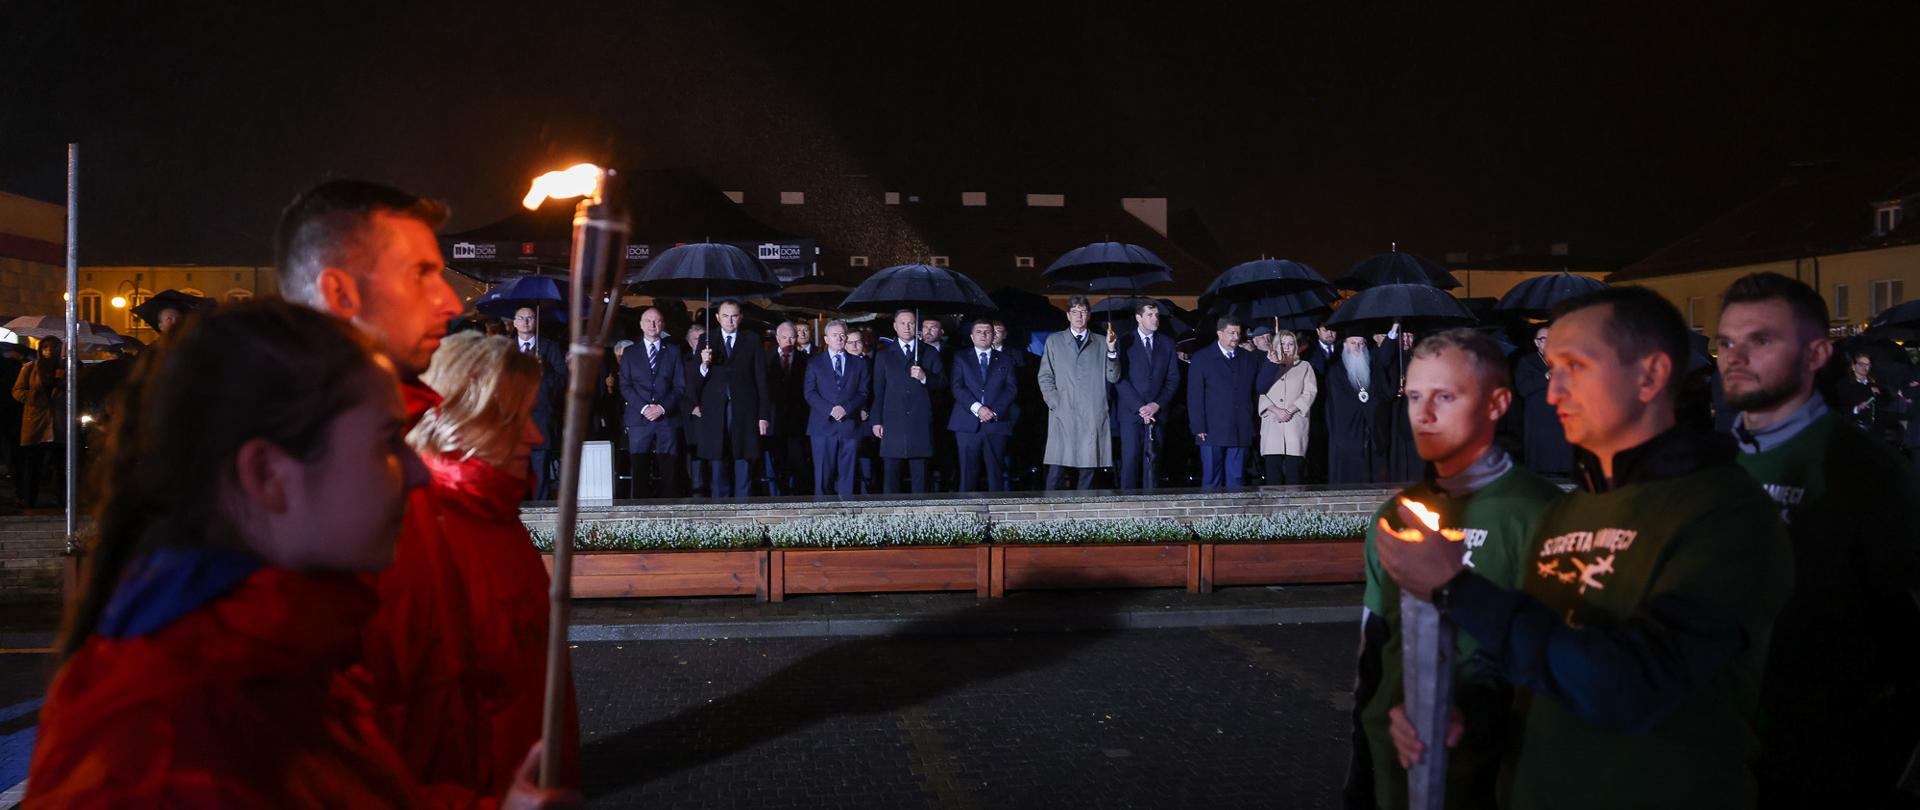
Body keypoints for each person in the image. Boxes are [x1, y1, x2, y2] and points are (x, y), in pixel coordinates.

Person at [25, 301, 568, 807]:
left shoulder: (279, 659)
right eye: (384, 443)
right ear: (266, 475)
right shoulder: (165, 761)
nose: (419, 469)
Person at [1376, 286, 1792, 810]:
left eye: (1575, 367)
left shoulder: (1725, 515)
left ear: (1650, 375)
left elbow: (1633, 685)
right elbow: (1519, 666)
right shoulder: (1570, 510)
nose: (1553, 393)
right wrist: (1463, 711)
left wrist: (1457, 588)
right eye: (1552, 370)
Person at [1714, 272, 1920, 808]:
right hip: (1721, 741)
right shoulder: (1708, 463)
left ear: (1816, 354)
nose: (1737, 356)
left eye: (1761, 340)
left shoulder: (1863, 468)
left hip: (1823, 751)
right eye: (1727, 342)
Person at [1345, 328, 1559, 810]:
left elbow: (1559, 657)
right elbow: (1372, 654)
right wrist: (1360, 776)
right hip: (1391, 773)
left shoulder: (1544, 514)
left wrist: (1475, 716)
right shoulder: (1393, 516)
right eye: (1415, 396)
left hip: (1495, 772)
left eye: (1445, 396)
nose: (1423, 415)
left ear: (1497, 404)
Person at [407, 331, 581, 795]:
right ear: (457, 420)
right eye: (513, 418)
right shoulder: (418, 536)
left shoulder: (499, 517)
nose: (536, 435)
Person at [689, 300, 770, 498]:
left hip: (744, 408)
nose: (730, 320)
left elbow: (761, 379)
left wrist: (763, 415)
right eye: (725, 316)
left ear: (740, 317)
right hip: (715, 409)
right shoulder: (707, 339)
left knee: (743, 455)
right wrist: (704, 364)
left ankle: (743, 503)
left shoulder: (751, 339)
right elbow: (694, 378)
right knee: (718, 456)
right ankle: (720, 505)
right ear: (717, 318)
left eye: (734, 315)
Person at [1037, 296, 1119, 489]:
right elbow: (1045, 375)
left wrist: (1112, 350)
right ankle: (1049, 514)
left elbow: (1113, 376)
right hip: (1063, 412)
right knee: (1057, 468)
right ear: (1068, 315)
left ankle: (1084, 515)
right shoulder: (1055, 341)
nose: (1079, 316)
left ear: (1089, 315)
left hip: (1091, 413)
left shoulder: (1101, 341)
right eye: (1074, 312)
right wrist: (1054, 401)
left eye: (1083, 312)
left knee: (1088, 468)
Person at [870, 309, 946, 493]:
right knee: (891, 478)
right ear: (895, 326)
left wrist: (924, 376)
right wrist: (876, 420)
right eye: (902, 323)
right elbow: (878, 391)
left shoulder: (929, 352)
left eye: (911, 323)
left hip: (919, 421)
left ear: (917, 327)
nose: (907, 327)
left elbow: (943, 383)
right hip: (893, 421)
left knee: (921, 478)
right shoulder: (883, 355)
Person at [1186, 316, 1261, 490]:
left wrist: (1272, 363)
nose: (1235, 337)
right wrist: (1198, 426)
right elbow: (1194, 395)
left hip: (1239, 426)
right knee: (1212, 478)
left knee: (1237, 478)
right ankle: (1211, 516)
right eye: (1231, 333)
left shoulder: (1248, 358)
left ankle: (1235, 516)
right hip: (1211, 429)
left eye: (1238, 333)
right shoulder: (1202, 358)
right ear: (1219, 334)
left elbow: (1257, 388)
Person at [618, 307, 684, 499]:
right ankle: (639, 513)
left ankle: (669, 511)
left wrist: (662, 408)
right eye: (648, 321)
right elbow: (625, 386)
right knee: (639, 466)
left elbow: (680, 386)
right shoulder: (630, 353)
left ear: (662, 324)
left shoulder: (673, 351)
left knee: (669, 467)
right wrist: (645, 408)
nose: (652, 325)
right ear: (641, 324)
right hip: (639, 418)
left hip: (667, 417)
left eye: (657, 321)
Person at [1114, 301, 1179, 490]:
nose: (1155, 319)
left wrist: (1156, 405)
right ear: (1138, 317)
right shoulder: (1125, 341)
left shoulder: (1166, 343)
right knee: (1130, 460)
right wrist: (1140, 406)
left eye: (1157, 315)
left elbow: (1173, 378)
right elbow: (1119, 378)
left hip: (1157, 412)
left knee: (1153, 461)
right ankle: (1127, 508)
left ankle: (1152, 507)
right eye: (1150, 315)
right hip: (1131, 413)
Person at [803, 320, 869, 498]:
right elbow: (809, 392)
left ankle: (847, 513)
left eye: (842, 335)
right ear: (826, 339)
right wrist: (830, 409)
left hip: (849, 425)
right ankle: (823, 514)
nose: (839, 338)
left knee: (848, 476)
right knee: (823, 475)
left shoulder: (859, 363)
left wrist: (846, 408)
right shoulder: (815, 363)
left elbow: (863, 392)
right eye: (835, 335)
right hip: (823, 426)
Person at [948, 319, 1016, 492]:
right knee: (967, 474)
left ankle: (999, 514)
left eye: (987, 331)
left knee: (996, 474)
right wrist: (978, 408)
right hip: (967, 424)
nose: (983, 335)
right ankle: (966, 514)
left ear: (993, 336)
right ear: (972, 336)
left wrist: (993, 411)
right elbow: (957, 387)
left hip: (996, 423)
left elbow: (1011, 389)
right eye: (979, 331)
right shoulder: (961, 357)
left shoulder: (1006, 360)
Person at [509, 307, 569, 500]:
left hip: (541, 419)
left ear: (536, 321)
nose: (526, 321)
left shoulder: (550, 347)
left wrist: (544, 372)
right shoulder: (505, 348)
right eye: (522, 318)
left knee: (540, 473)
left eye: (530, 318)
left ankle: (541, 516)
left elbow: (563, 380)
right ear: (514, 322)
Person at [1255, 330, 1317, 485]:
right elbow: (1260, 391)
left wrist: (1291, 409)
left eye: (1290, 344)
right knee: (1273, 474)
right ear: (1276, 345)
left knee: (1294, 473)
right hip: (1273, 423)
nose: (1287, 347)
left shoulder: (1304, 366)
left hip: (1294, 423)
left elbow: (1309, 392)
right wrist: (1275, 410)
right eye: (1283, 344)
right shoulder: (1267, 365)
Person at [1324, 334, 1387, 484]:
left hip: (1369, 431)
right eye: (1353, 343)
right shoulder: (1336, 371)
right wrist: (1364, 406)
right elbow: (1338, 403)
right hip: (1347, 432)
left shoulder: (1372, 368)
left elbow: (1378, 395)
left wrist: (1370, 407)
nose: (1358, 347)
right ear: (1345, 345)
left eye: (1361, 343)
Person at [12, 337, 67, 508]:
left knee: (62, 466)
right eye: (45, 347)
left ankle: (64, 501)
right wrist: (31, 396)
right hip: (36, 421)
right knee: (33, 464)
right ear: (40, 349)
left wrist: (63, 382)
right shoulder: (30, 368)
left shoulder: (66, 369)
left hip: (59, 423)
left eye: (54, 347)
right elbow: (17, 391)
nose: (49, 351)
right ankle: (29, 500)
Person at [1512, 323, 1573, 475]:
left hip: (1561, 418)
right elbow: (1523, 388)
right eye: (1544, 339)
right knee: (1541, 461)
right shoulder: (1527, 362)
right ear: (1537, 343)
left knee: (1563, 461)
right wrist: (1545, 376)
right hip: (1538, 419)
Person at [764, 321, 812, 496]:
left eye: (792, 337)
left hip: (797, 422)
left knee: (798, 463)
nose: (789, 341)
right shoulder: (765, 358)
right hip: (773, 420)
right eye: (784, 337)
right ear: (777, 338)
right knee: (776, 463)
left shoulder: (806, 360)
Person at [1375, 328, 1423, 482]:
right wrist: (1394, 329)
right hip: (1398, 414)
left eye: (1410, 336)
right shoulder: (1393, 357)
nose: (1406, 341)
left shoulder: (1421, 358)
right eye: (1403, 337)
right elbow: (1382, 361)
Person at [844, 328, 878, 493]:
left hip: (867, 421)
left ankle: (867, 495)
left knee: (867, 463)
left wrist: (867, 410)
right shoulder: (840, 365)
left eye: (858, 341)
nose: (854, 345)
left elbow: (874, 391)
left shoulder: (872, 363)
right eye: (850, 342)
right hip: (847, 419)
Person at [683, 322, 708, 495]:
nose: (700, 342)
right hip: (690, 415)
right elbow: (677, 388)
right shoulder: (682, 361)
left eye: (703, 339)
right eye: (696, 339)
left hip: (712, 414)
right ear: (689, 342)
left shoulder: (717, 359)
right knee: (695, 455)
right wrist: (691, 408)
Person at [1838, 352, 1884, 434]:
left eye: (1868, 365)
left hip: (1874, 428)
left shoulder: (1873, 383)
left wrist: (1880, 394)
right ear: (1853, 366)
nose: (1865, 367)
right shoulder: (1846, 384)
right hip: (1854, 426)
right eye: (1861, 364)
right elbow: (1841, 406)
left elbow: (1883, 404)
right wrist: (1856, 408)